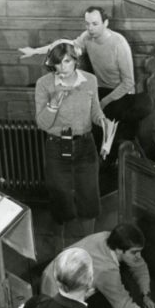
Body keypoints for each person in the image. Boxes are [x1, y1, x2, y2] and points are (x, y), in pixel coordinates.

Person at [35, 41, 106, 246]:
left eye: (66, 62)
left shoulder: (90, 80)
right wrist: (53, 104)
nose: (62, 67)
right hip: (58, 144)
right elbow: (42, 123)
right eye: (57, 63)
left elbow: (95, 111)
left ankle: (89, 245)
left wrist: (103, 121)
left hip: (85, 144)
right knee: (60, 197)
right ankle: (60, 249)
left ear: (75, 60)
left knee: (89, 195)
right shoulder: (44, 84)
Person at [18, 7, 135, 123]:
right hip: (101, 89)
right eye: (87, 24)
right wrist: (34, 51)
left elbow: (128, 83)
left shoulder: (119, 44)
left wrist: (104, 102)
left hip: (121, 93)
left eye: (95, 24)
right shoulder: (87, 36)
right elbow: (63, 46)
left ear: (105, 23)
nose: (90, 28)